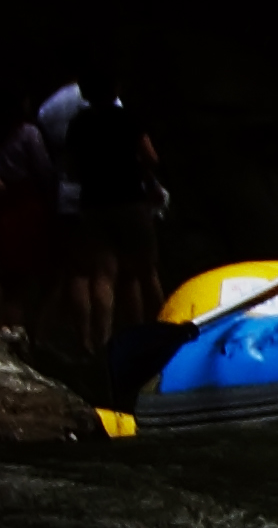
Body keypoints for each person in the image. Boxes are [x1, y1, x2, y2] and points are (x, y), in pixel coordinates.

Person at [0, 83, 168, 388]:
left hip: (92, 203)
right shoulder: (126, 118)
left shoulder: (79, 123)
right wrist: (141, 179)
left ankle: (97, 343)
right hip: (128, 199)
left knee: (99, 274)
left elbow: (72, 167)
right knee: (143, 270)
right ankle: (160, 329)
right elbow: (151, 157)